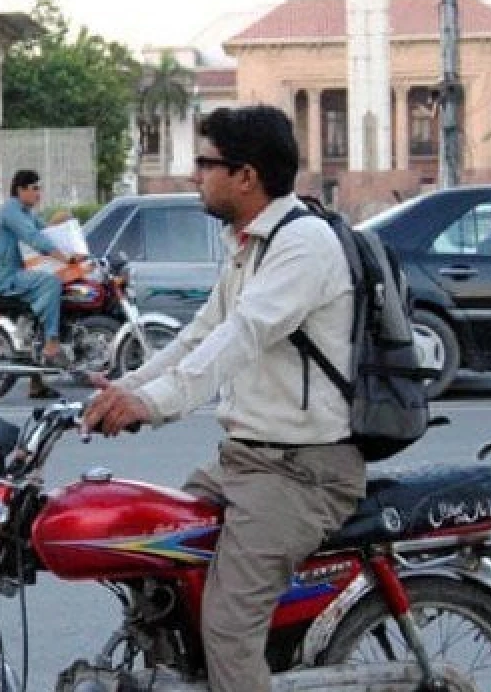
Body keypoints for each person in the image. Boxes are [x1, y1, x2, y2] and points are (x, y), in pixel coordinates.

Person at [81, 105, 365, 692]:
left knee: (229, 626)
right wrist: (126, 389)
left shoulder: (302, 243)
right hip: (244, 462)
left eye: (205, 164)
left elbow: (243, 336)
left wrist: (154, 405)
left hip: (302, 474)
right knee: (155, 570)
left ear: (246, 175)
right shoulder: (249, 247)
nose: (194, 176)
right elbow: (198, 335)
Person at [0, 169, 80, 398]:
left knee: (52, 302)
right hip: (6, 276)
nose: (39, 193)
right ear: (21, 190)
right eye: (35, 188)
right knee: (51, 283)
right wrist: (64, 258)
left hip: (20, 274)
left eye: (40, 188)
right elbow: (34, 238)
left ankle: (36, 383)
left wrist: (63, 224)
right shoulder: (11, 210)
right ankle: (51, 343)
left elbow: (44, 231)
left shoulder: (26, 212)